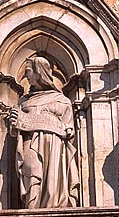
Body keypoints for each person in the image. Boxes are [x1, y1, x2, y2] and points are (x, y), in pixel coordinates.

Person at [8, 57, 79, 209]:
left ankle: (54, 205)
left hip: (54, 146)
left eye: (28, 71)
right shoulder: (23, 101)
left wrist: (63, 128)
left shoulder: (62, 99)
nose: (26, 76)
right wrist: (14, 125)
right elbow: (15, 130)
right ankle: (32, 207)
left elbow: (69, 129)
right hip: (29, 142)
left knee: (53, 180)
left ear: (39, 73)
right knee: (31, 171)